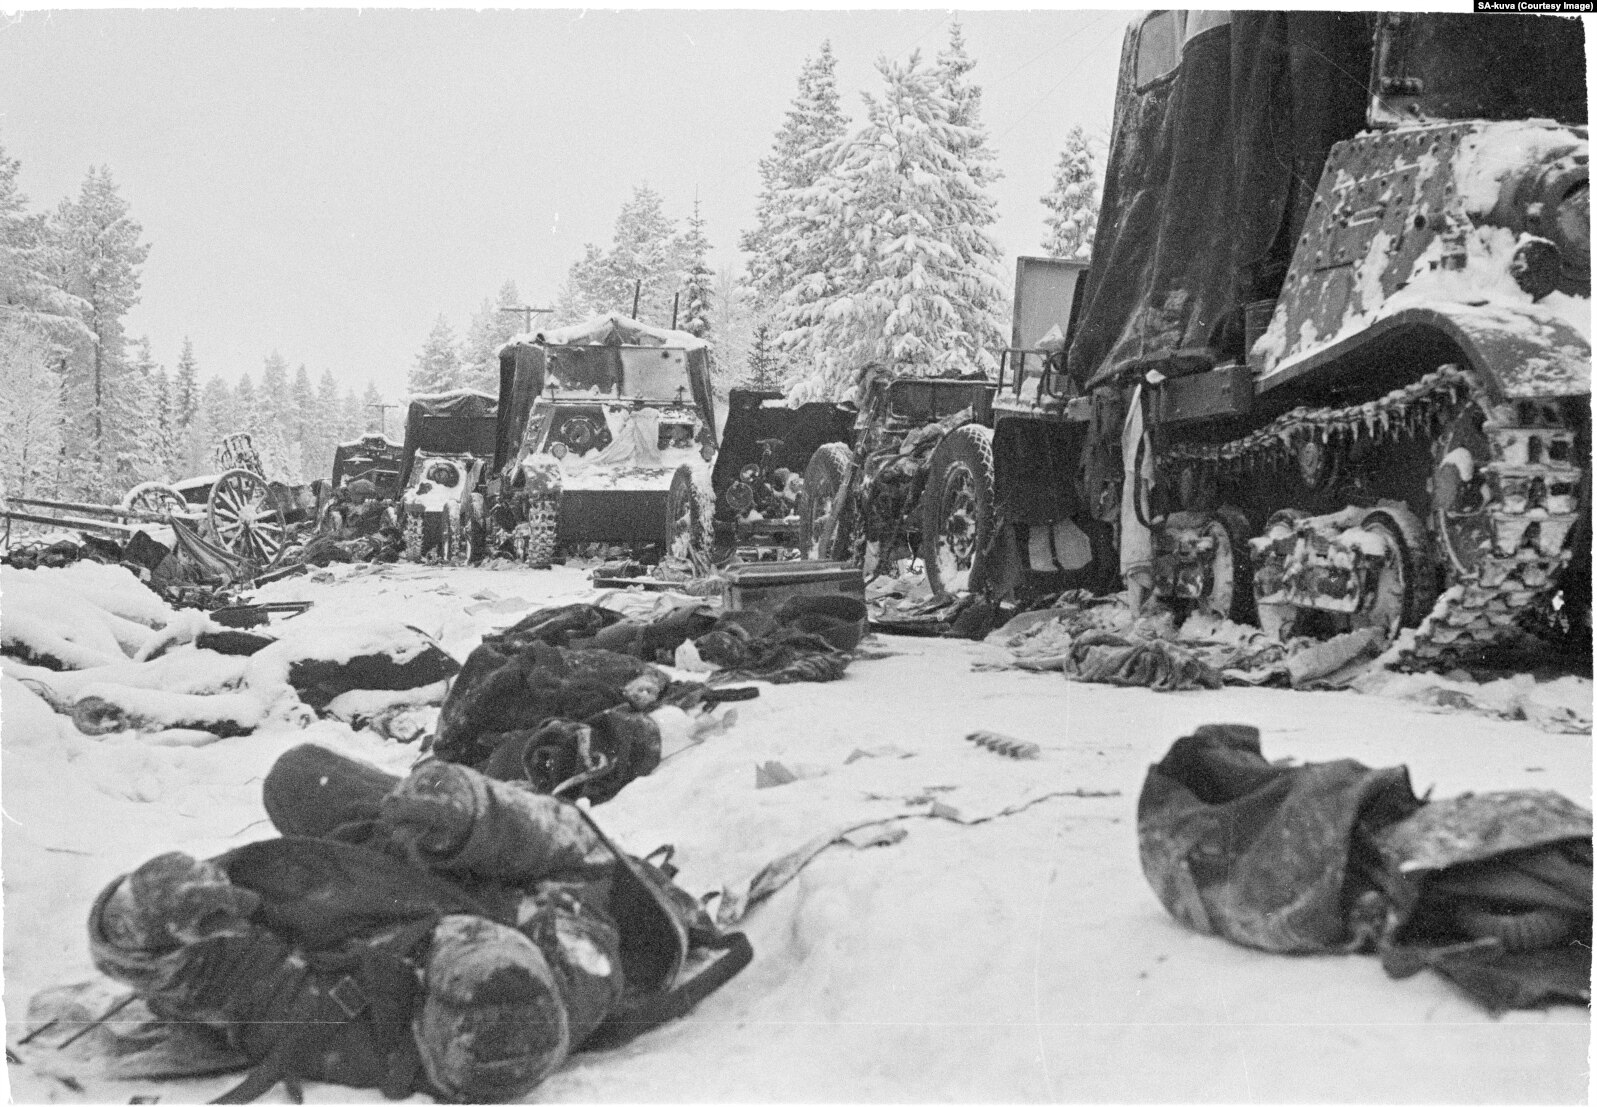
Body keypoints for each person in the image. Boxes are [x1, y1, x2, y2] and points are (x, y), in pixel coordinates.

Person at [88, 744, 747, 1103]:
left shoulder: (350, 1031)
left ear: (427, 1012)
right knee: (300, 775)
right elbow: (579, 854)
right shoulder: (577, 967)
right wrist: (475, 816)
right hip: (457, 872)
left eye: (457, 952)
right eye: (483, 942)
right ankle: (411, 808)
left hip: (355, 888)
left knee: (293, 777)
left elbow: (156, 960)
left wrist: (172, 913)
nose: (466, 940)